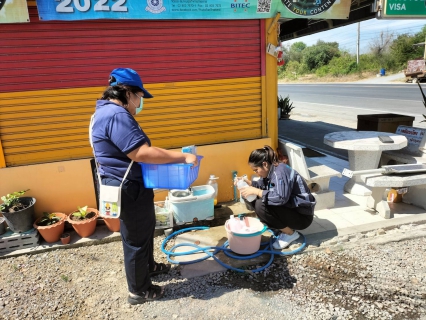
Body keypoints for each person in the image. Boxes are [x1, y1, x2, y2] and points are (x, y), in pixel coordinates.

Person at [90, 68, 197, 305]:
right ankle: (139, 290)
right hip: (128, 187)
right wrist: (181, 157)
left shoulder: (104, 112)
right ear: (127, 92)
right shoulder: (116, 115)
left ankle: (149, 267)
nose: (140, 103)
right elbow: (140, 152)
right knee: (136, 240)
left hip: (130, 185)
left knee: (145, 230)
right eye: (139, 96)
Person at [235, 145, 316, 249]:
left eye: (256, 170)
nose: (256, 173)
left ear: (264, 164)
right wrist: (249, 184)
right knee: (253, 197)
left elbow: (280, 198)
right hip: (292, 209)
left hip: (302, 216)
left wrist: (256, 190)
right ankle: (281, 226)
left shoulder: (280, 173)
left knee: (261, 205)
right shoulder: (272, 169)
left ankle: (290, 233)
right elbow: (264, 185)